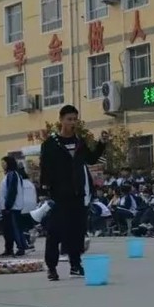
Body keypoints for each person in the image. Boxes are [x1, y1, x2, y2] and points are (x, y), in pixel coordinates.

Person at [40, 105, 107, 281]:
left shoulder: (79, 142)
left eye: (75, 119)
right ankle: (52, 267)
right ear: (61, 120)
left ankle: (75, 265)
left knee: (77, 232)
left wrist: (101, 143)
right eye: (69, 119)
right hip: (59, 196)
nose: (72, 123)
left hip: (78, 194)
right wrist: (45, 191)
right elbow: (45, 168)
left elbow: (91, 159)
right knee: (55, 232)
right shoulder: (50, 144)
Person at [0, 156, 27, 257]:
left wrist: (8, 205)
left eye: (4, 163)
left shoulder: (12, 175)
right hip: (9, 207)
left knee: (15, 228)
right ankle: (9, 249)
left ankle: (21, 247)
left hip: (12, 207)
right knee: (8, 230)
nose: (2, 165)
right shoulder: (10, 175)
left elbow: (12, 191)